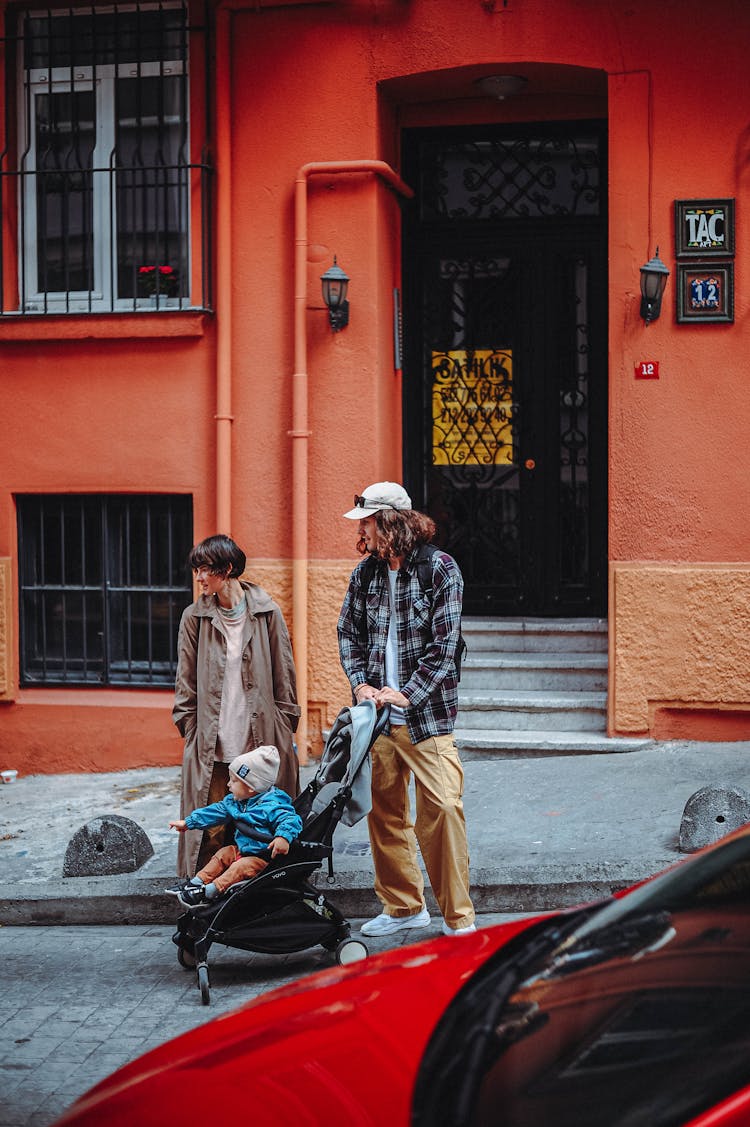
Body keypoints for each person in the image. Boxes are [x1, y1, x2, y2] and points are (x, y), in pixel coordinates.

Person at [337, 481, 476, 937]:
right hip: (377, 720)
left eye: (370, 523)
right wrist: (361, 685)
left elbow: (444, 644)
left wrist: (407, 693)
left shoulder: (441, 570)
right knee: (384, 814)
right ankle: (402, 908)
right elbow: (348, 634)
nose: (365, 533)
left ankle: (458, 919)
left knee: (443, 810)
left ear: (390, 522)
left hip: (426, 717)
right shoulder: (366, 574)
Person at [172, 534, 300, 878]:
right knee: (213, 828)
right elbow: (185, 680)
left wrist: (285, 726)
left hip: (260, 741)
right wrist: (189, 729)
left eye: (205, 570)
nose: (198, 578)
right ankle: (209, 899)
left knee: (264, 827)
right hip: (212, 744)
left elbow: (284, 672)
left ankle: (262, 897)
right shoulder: (194, 617)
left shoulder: (266, 612)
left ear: (227, 570)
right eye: (196, 570)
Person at [167, 745, 302, 907]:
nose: (228, 785)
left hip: (265, 862)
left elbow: (291, 819)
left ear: (251, 786)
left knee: (240, 866)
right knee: (224, 853)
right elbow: (215, 812)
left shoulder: (273, 805)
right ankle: (196, 882)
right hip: (243, 851)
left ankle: (210, 891)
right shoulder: (237, 801)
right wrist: (188, 822)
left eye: (234, 780)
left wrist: (282, 837)